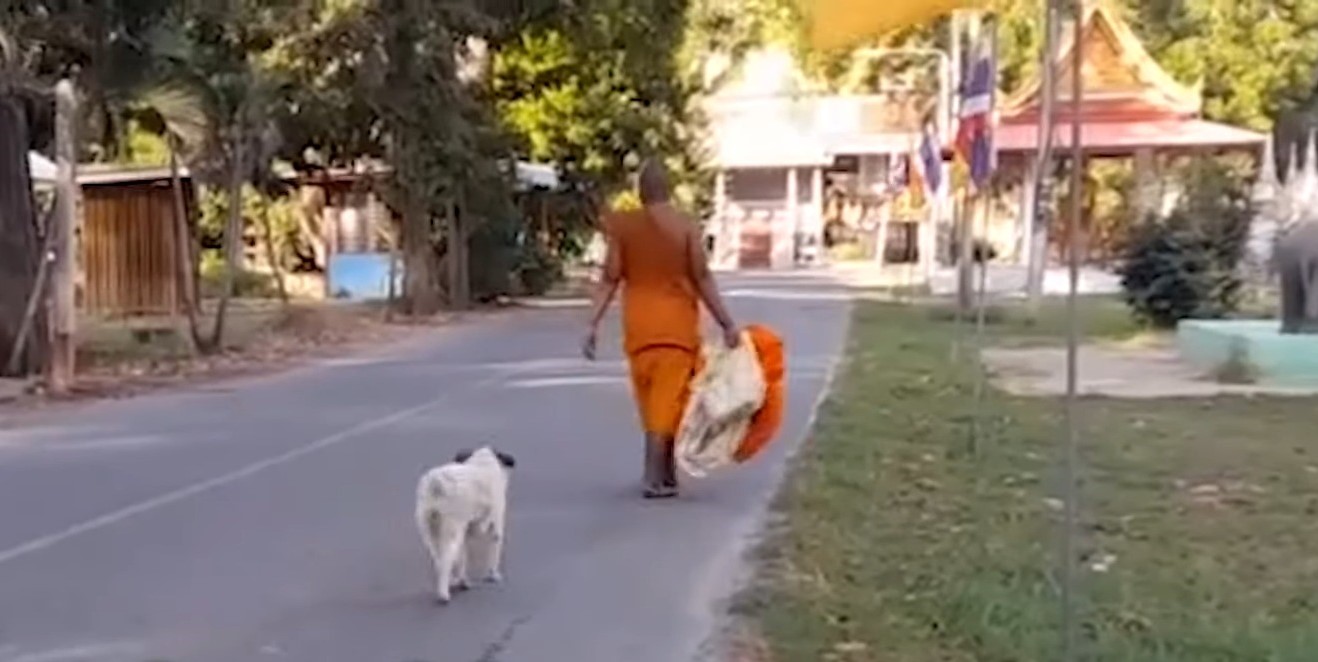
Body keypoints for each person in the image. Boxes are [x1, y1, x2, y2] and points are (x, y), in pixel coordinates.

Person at [581, 159, 740, 499]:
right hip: (676, 331)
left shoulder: (625, 228)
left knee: (653, 404)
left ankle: (665, 474)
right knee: (668, 405)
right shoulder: (685, 227)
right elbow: (702, 278)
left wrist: (592, 324)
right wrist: (727, 323)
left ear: (640, 193)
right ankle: (654, 476)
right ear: (668, 189)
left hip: (639, 331)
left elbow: (610, 278)